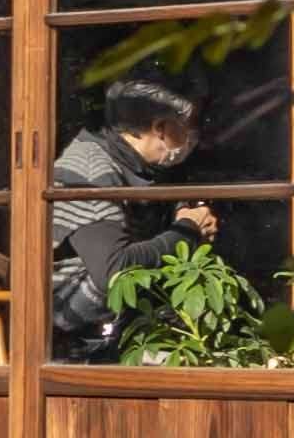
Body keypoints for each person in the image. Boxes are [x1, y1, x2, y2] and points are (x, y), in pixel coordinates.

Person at [48, 75, 220, 359]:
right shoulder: (89, 172)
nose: (194, 136)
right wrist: (188, 229)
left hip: (127, 329)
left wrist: (183, 214)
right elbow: (115, 272)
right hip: (74, 341)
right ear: (161, 129)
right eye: (189, 126)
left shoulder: (141, 169)